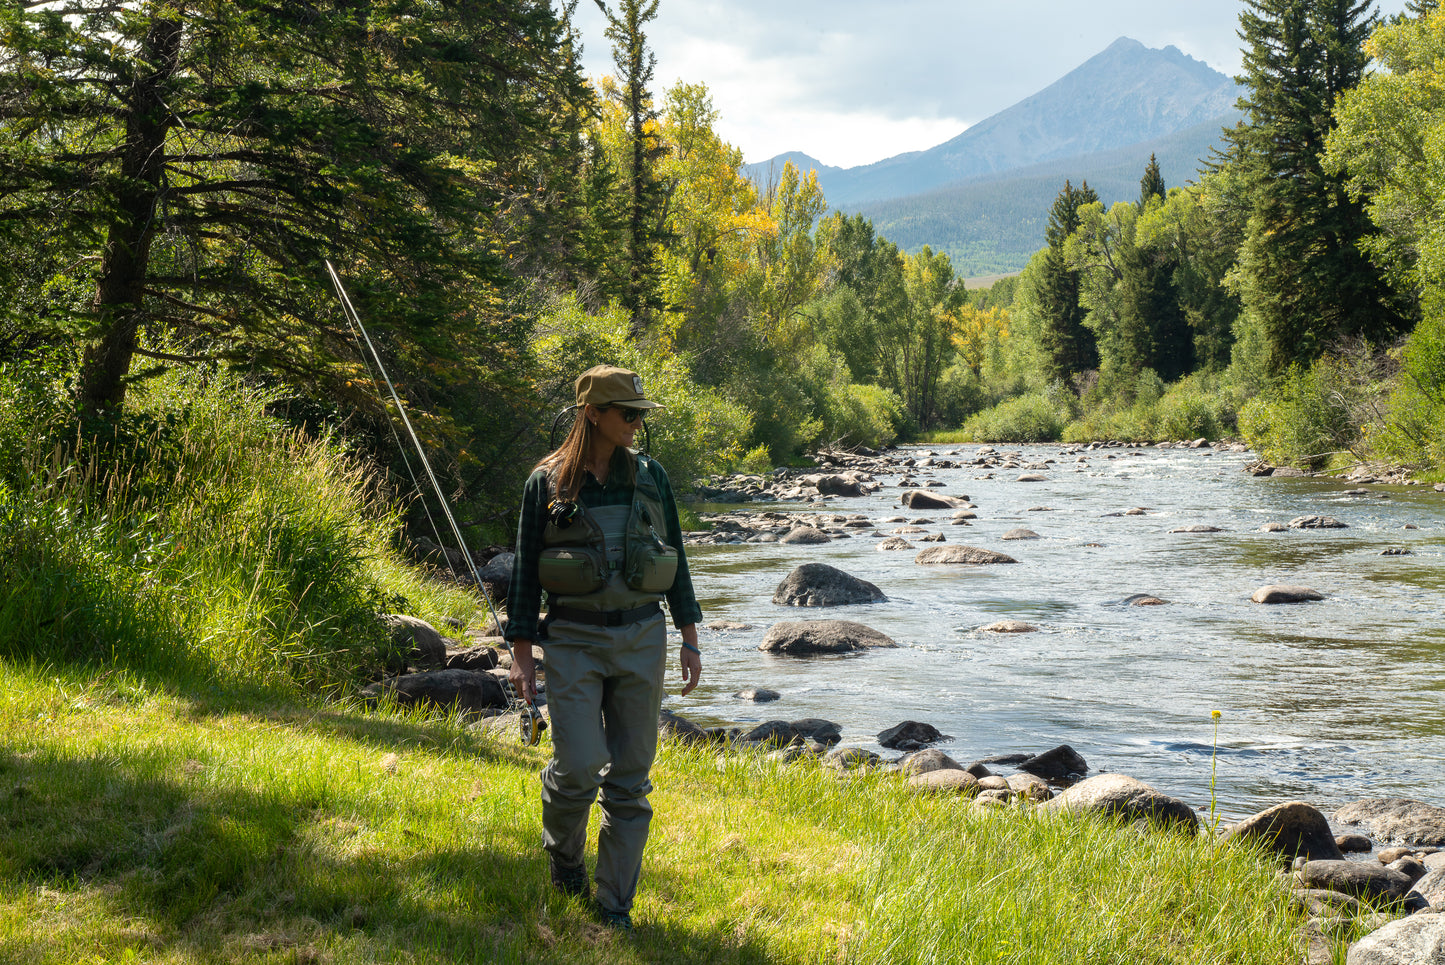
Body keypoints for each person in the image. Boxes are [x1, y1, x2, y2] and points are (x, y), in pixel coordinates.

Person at [506, 364, 702, 931]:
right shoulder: (545, 484)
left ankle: (614, 906)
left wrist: (690, 638)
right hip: (571, 639)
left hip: (643, 636)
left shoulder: (651, 477)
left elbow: (678, 560)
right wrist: (523, 657)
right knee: (580, 765)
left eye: (640, 414)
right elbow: (524, 576)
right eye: (628, 414)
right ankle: (565, 860)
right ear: (594, 413)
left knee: (632, 777)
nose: (637, 424)